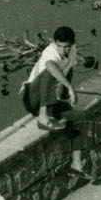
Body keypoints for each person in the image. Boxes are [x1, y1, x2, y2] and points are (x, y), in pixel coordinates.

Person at [22, 26, 94, 179]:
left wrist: (65, 97)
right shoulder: (50, 53)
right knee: (50, 71)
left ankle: (76, 164)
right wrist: (70, 88)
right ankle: (43, 118)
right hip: (32, 98)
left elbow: (68, 70)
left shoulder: (72, 51)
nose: (63, 51)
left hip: (50, 101)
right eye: (60, 47)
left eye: (67, 47)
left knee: (80, 116)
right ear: (54, 44)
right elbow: (51, 67)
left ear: (72, 44)